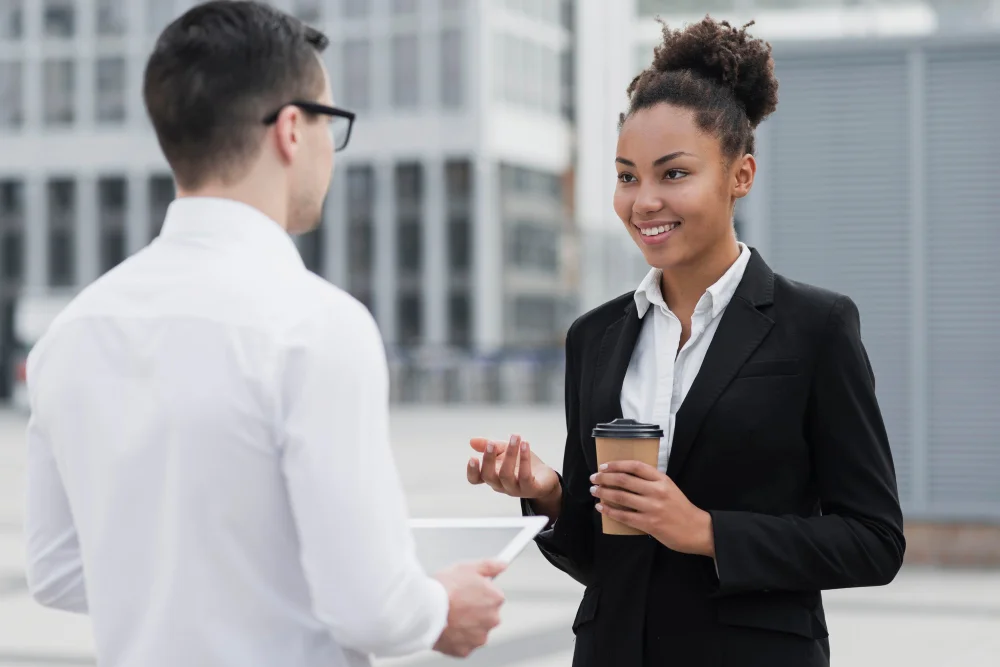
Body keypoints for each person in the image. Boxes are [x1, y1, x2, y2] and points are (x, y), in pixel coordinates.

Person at [23, 3, 505, 666]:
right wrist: (442, 604)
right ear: (290, 130)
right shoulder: (317, 327)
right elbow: (373, 608)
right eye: (330, 123)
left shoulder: (70, 334)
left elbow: (54, 570)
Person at [467, 17, 905, 667]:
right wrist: (549, 491)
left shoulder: (816, 328)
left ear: (741, 174)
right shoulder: (595, 337)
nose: (644, 201)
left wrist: (706, 531)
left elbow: (873, 540)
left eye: (673, 174)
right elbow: (599, 554)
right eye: (626, 176)